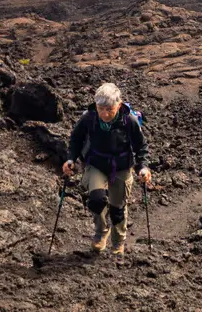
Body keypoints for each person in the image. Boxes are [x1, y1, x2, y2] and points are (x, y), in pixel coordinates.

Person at [62, 83, 151, 255]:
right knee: (96, 200)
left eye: (109, 109)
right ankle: (101, 233)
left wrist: (143, 167)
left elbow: (141, 146)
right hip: (96, 163)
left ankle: (118, 241)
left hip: (121, 166)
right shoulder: (89, 117)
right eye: (101, 108)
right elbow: (76, 139)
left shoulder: (129, 120)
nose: (105, 114)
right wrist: (70, 159)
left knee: (117, 208)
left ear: (119, 104)